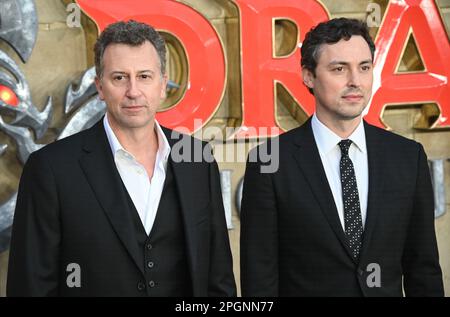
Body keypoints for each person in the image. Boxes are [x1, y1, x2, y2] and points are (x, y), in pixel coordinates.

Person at [7, 20, 236, 297]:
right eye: (119, 77)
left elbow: (218, 276)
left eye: (144, 76)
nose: (133, 91)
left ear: (163, 85)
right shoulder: (51, 169)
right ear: (100, 87)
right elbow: (30, 284)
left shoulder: (197, 160)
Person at [240, 18, 444, 297]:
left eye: (364, 67)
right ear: (308, 76)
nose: (355, 81)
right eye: (339, 69)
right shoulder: (269, 162)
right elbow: (260, 280)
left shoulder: (408, 157)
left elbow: (424, 270)